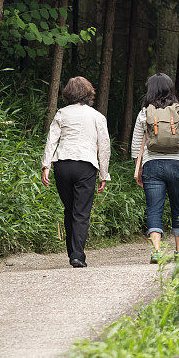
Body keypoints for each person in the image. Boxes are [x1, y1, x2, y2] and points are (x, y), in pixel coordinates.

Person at [131, 73, 179, 263]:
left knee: (154, 209)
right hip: (178, 164)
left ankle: (156, 250)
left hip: (151, 166)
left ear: (150, 90)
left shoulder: (144, 113)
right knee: (178, 207)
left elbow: (136, 145)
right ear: (171, 88)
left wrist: (138, 169)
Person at [41, 76, 110, 268]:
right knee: (81, 212)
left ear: (68, 93)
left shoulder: (62, 113)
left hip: (62, 165)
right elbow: (103, 146)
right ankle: (77, 255)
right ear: (89, 93)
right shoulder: (97, 116)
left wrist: (46, 165)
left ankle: (72, 252)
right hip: (85, 165)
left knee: (69, 209)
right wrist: (104, 174)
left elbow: (51, 140)